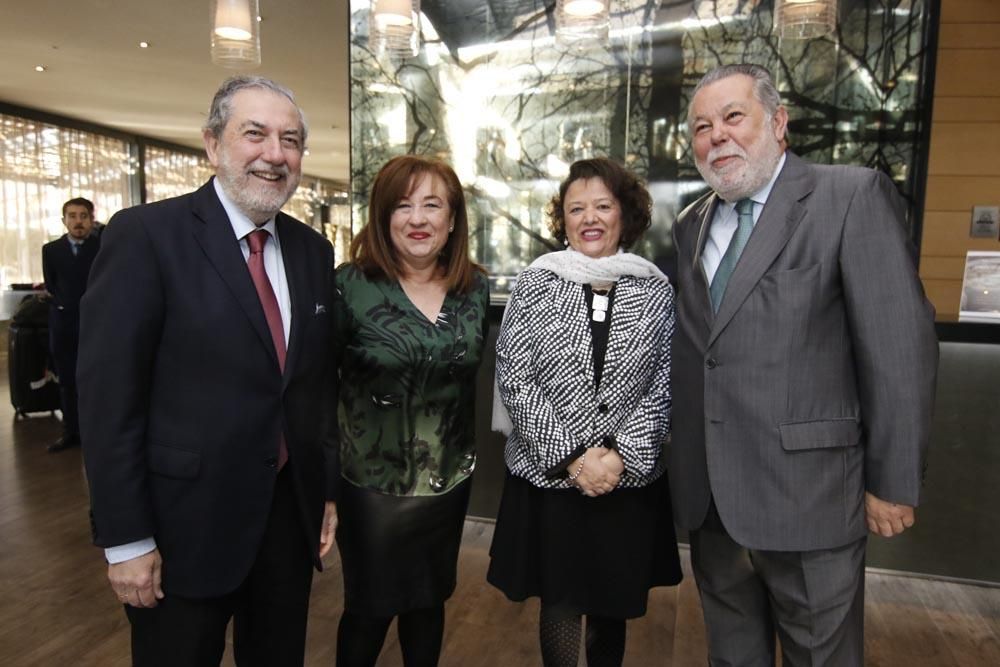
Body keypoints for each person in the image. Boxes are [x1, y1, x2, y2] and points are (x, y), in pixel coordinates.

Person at [670, 63, 939, 666]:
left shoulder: (849, 196)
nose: (717, 136)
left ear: (779, 122)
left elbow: (899, 346)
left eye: (733, 117)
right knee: (732, 657)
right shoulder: (691, 224)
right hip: (712, 502)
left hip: (809, 497)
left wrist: (892, 481)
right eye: (701, 127)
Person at [77, 76, 339, 667]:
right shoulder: (146, 235)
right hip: (179, 530)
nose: (276, 154)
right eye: (256, 134)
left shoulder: (312, 251)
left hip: (284, 524)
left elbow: (315, 385)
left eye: (291, 140)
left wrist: (322, 490)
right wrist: (126, 539)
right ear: (213, 145)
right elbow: (107, 399)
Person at [489, 157, 682, 667]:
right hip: (551, 479)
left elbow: (664, 384)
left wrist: (618, 460)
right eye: (577, 208)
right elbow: (515, 378)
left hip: (625, 481)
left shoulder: (656, 289)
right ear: (563, 219)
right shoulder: (535, 283)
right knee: (561, 602)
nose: (589, 218)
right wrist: (573, 459)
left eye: (602, 205)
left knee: (610, 606)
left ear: (626, 214)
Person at [332, 155, 489, 666]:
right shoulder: (348, 286)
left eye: (432, 205)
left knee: (429, 601)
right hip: (371, 487)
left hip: (448, 480)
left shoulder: (474, 289)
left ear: (452, 218)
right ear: (382, 216)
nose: (417, 219)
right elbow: (314, 386)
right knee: (369, 610)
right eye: (403, 206)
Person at [42, 197, 99, 452]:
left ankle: (94, 433)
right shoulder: (51, 250)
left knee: (96, 381)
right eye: (73, 216)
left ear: (91, 220)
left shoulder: (102, 247)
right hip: (63, 324)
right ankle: (70, 431)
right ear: (64, 220)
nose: (78, 221)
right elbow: (52, 285)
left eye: (83, 216)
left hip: (96, 325)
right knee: (66, 379)